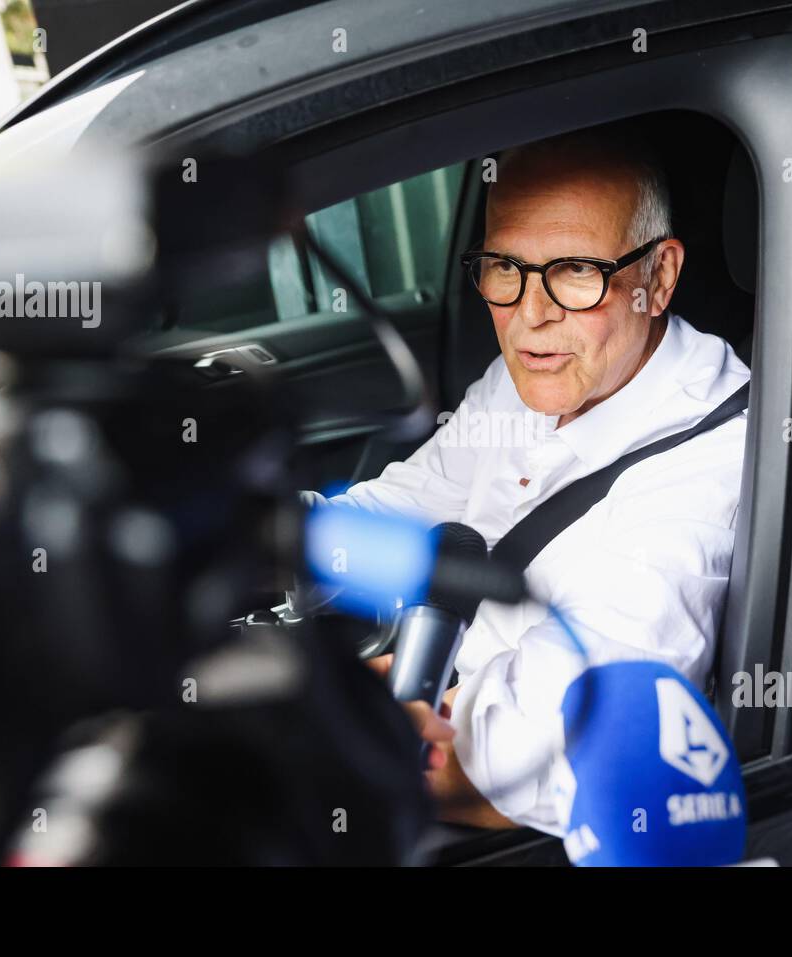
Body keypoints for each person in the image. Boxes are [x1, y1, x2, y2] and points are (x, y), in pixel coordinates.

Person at [304, 124, 750, 834]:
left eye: (576, 270)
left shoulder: (710, 467)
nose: (529, 315)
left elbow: (540, 752)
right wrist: (274, 538)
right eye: (504, 268)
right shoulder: (532, 377)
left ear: (658, 278)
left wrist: (344, 716)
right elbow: (409, 502)